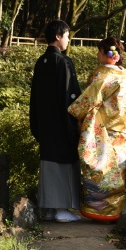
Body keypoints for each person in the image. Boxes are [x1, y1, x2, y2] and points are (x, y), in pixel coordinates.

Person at [68, 36, 126, 223]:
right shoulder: (125, 79)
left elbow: (89, 100)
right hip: (122, 132)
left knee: (101, 171)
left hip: (104, 131)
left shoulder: (102, 76)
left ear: (107, 55)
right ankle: (115, 211)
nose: (97, 54)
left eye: (99, 51)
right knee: (118, 172)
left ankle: (99, 212)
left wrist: (73, 113)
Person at [29, 19, 82, 222]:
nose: (68, 40)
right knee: (63, 162)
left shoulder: (41, 62)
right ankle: (61, 208)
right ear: (58, 37)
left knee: (49, 161)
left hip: (44, 123)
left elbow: (34, 97)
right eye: (67, 36)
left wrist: (36, 124)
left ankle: (50, 208)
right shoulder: (64, 62)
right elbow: (71, 97)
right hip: (61, 123)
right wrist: (76, 122)